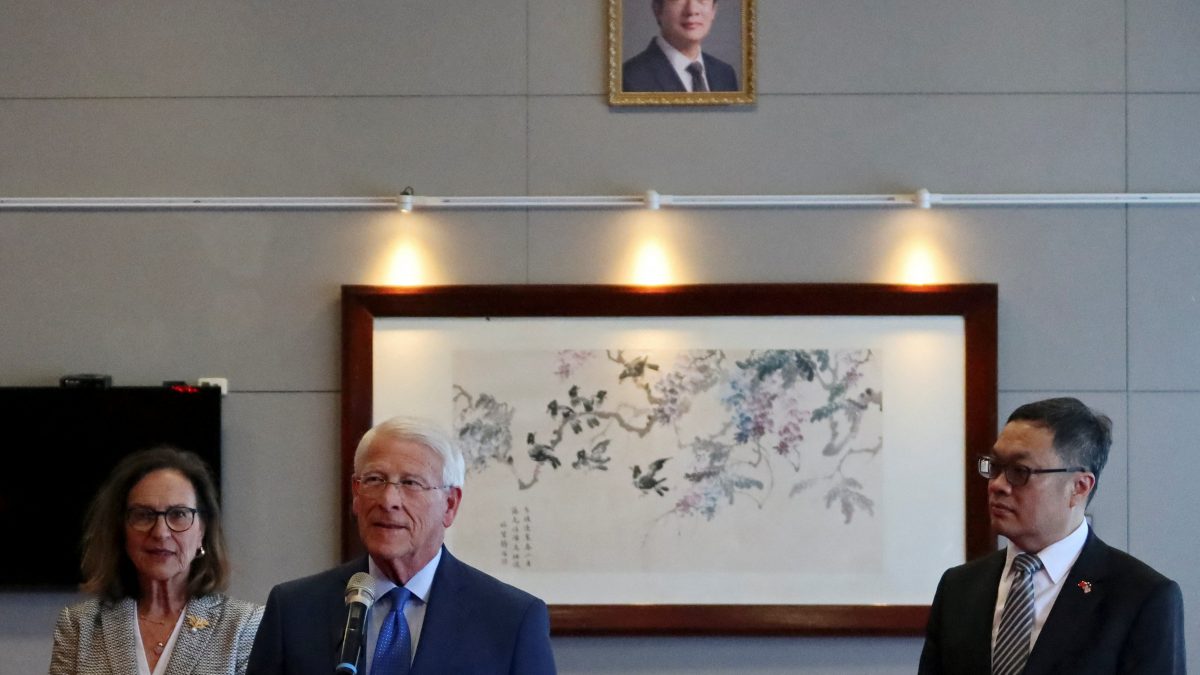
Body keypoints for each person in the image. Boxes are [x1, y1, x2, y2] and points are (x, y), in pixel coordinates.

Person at [247, 416, 556, 674]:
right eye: (375, 480)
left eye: (410, 483)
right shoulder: (294, 610)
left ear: (450, 504)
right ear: (356, 494)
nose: (388, 500)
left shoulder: (511, 619)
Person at [919, 397, 1186, 674]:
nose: (997, 485)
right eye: (995, 467)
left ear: (1079, 487)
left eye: (1019, 471)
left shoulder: (1141, 597)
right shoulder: (959, 588)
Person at [49, 446, 264, 675]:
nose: (161, 532)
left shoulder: (244, 626)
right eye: (144, 515)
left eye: (178, 514)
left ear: (202, 530)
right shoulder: (80, 625)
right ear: (121, 530)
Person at [622, 0, 738, 92]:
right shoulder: (629, 78)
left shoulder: (725, 74)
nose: (692, 10)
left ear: (713, 10)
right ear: (657, 9)